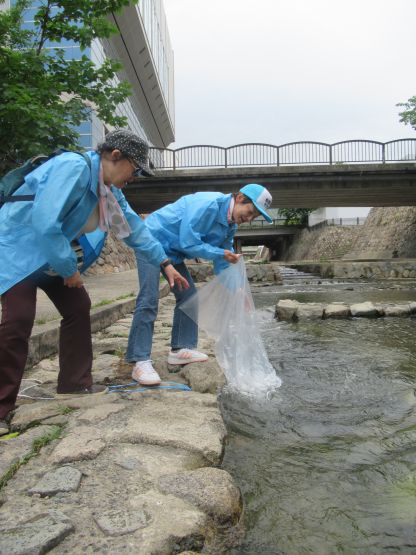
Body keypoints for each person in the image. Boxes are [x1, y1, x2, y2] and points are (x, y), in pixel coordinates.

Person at [0, 129, 188, 435]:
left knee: (78, 306)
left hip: (48, 254)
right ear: (115, 156)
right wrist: (68, 269)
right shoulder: (73, 168)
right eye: (135, 168)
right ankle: (2, 407)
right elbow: (45, 223)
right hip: (16, 248)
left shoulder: (108, 190)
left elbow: (134, 230)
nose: (135, 176)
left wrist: (165, 263)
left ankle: (74, 385)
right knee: (18, 320)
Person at [126, 183, 273, 385]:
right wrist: (221, 253)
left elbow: (223, 262)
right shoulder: (207, 204)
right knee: (149, 298)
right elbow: (189, 242)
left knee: (189, 296)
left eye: (254, 217)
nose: (249, 219)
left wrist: (238, 291)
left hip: (174, 252)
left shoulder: (230, 226)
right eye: (250, 212)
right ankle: (140, 361)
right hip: (152, 239)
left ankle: (180, 349)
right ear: (239, 198)